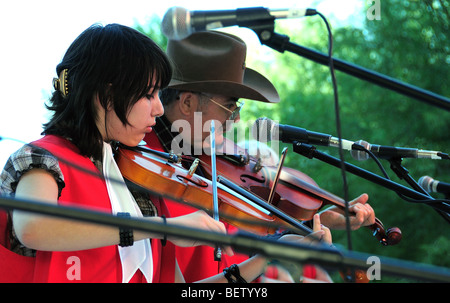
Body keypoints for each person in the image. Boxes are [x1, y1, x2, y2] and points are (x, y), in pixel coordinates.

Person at [0, 23, 329, 283]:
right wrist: (162, 227)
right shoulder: (42, 158)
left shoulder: (134, 185)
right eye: (147, 95)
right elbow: (34, 227)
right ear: (105, 96)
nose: (159, 108)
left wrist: (267, 256)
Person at [144, 30, 375, 282]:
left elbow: (242, 238)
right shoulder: (143, 163)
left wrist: (313, 222)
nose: (237, 118)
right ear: (187, 103)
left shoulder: (211, 156)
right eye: (230, 107)